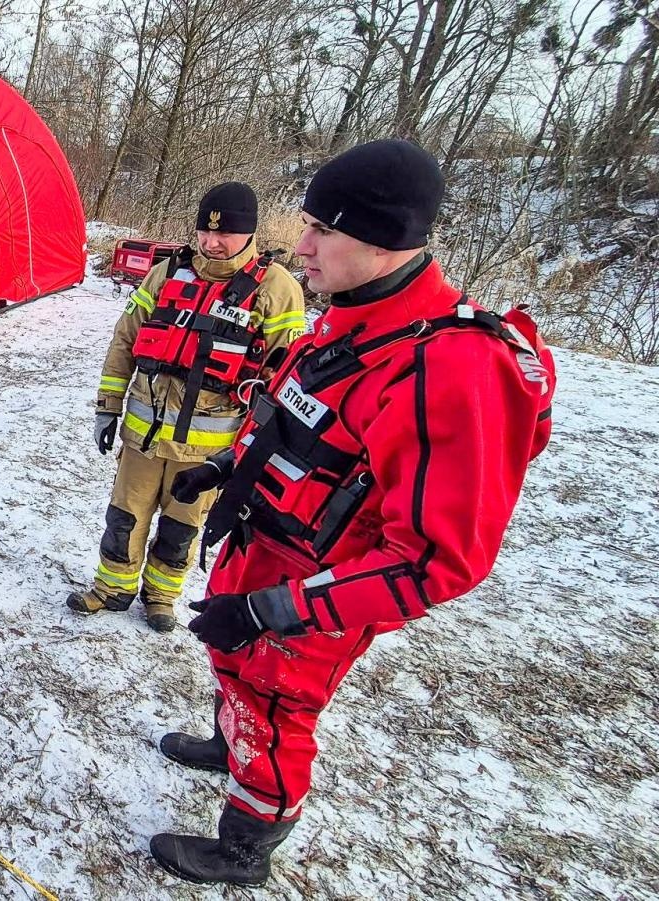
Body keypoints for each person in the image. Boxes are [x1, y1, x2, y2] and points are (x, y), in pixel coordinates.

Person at [149, 140, 556, 885]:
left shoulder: (450, 367)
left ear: (380, 240)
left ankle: (246, 843)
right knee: (234, 672)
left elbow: (439, 559)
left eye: (320, 231)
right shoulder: (349, 317)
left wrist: (276, 609)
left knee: (274, 708)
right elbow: (292, 415)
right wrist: (227, 466)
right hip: (262, 544)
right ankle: (226, 739)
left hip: (314, 594)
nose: (300, 246)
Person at [69, 183, 306, 631]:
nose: (212, 242)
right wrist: (108, 406)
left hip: (207, 453)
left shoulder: (278, 289)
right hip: (144, 435)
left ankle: (161, 598)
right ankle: (111, 588)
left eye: (225, 235)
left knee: (181, 529)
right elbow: (125, 339)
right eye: (205, 231)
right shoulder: (165, 273)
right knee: (124, 517)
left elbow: (284, 377)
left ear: (250, 234)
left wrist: (254, 453)